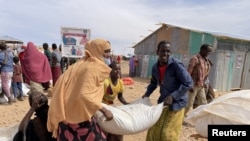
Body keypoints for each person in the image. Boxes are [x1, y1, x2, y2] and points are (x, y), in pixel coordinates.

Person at [47, 38, 114, 140]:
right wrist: (105, 111)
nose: (108, 54)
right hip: (77, 119)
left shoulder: (82, 63)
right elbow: (85, 95)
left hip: (67, 113)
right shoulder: (93, 67)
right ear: (97, 50)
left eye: (109, 51)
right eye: (106, 51)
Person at [142, 40, 192, 141]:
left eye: (168, 51)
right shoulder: (155, 67)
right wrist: (147, 94)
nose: (165, 54)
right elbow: (153, 82)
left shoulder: (176, 65)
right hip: (163, 102)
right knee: (153, 130)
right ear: (157, 52)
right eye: (163, 51)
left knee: (167, 133)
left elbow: (188, 82)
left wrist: (173, 96)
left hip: (177, 103)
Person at [103, 61, 129, 141]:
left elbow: (120, 97)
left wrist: (127, 104)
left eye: (119, 69)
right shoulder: (106, 82)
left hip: (111, 104)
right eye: (115, 69)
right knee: (105, 124)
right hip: (102, 104)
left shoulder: (120, 82)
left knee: (119, 123)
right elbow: (98, 98)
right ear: (110, 71)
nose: (118, 71)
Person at [184, 44, 213, 116]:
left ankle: (200, 119)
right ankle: (179, 117)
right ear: (202, 50)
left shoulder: (206, 60)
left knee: (203, 104)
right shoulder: (195, 59)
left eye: (210, 52)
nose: (209, 53)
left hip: (201, 86)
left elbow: (205, 74)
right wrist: (189, 85)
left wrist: (205, 84)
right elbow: (188, 72)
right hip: (193, 85)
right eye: (208, 51)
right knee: (189, 104)